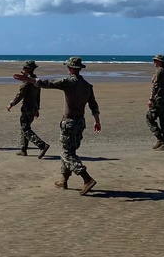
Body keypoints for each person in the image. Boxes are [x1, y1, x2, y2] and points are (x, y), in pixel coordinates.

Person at [14, 56, 101, 195]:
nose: (67, 69)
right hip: (80, 123)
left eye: (68, 67)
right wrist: (97, 121)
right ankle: (64, 180)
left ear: (71, 68)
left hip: (70, 123)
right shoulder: (86, 85)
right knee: (69, 151)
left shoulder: (69, 82)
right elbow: (93, 105)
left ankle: (87, 178)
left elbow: (48, 83)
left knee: (66, 153)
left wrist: (29, 80)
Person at [7, 60, 50, 158]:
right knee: (24, 127)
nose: (22, 70)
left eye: (24, 68)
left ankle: (42, 145)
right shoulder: (36, 80)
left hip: (27, 107)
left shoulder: (28, 81)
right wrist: (37, 109)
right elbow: (38, 96)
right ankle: (23, 149)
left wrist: (11, 104)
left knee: (25, 128)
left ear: (28, 69)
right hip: (33, 107)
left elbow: (20, 94)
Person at [146, 53, 164, 150]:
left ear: (159, 62)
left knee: (149, 118)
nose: (153, 62)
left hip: (159, 100)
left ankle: (160, 138)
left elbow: (155, 86)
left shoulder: (160, 72)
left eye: (155, 60)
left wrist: (151, 99)